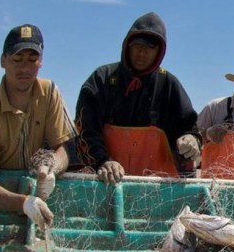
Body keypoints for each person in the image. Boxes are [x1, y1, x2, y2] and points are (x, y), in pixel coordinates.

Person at [75, 12, 200, 184]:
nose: (142, 53)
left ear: (160, 52)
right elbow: (86, 130)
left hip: (157, 190)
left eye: (150, 48)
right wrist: (102, 161)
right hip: (105, 183)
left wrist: (191, 140)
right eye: (137, 46)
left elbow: (190, 129)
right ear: (127, 45)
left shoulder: (168, 84)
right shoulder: (100, 79)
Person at [0, 24, 77, 230]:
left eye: (32, 60)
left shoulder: (50, 91)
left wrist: (52, 168)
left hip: (40, 199)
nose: (25, 69)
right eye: (17, 60)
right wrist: (23, 202)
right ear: (3, 61)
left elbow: (65, 146)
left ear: (41, 61)